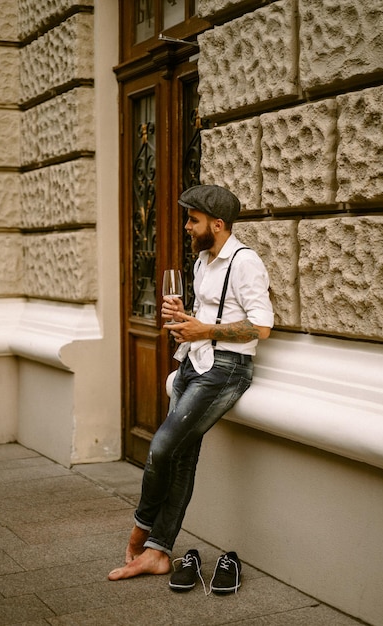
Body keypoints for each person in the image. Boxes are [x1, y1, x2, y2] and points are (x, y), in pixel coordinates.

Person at [108, 184, 274, 581]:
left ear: (217, 224)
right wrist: (187, 315)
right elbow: (208, 317)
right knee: (182, 458)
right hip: (193, 365)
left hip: (225, 370)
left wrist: (204, 330)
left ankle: (141, 528)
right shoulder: (202, 262)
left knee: (163, 447)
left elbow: (262, 326)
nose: (186, 226)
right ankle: (159, 553)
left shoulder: (245, 262)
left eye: (193, 220)